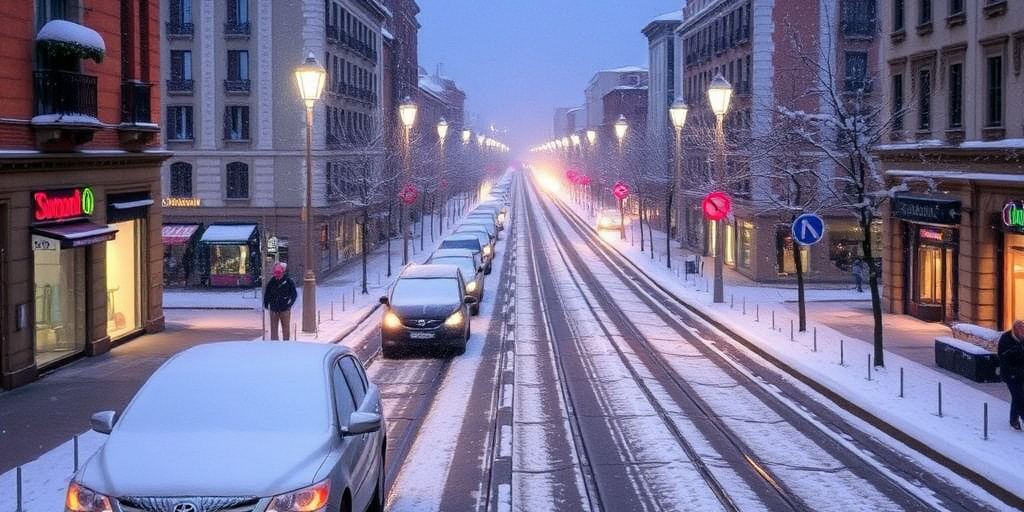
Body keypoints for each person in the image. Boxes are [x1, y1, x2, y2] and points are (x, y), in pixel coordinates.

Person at [998, 320, 1024, 430]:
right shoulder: (1006, 338)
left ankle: (1013, 420)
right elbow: (1003, 356)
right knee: (1019, 396)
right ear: (1015, 329)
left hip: (1022, 373)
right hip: (1010, 374)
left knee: (1016, 397)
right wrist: (1018, 349)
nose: (1022, 332)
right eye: (1020, 329)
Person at [263, 262, 297, 340]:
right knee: (274, 331)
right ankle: (274, 346)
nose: (277, 274)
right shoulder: (271, 282)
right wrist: (266, 303)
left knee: (286, 329)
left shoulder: (288, 282)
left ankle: (285, 345)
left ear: (283, 272)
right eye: (275, 272)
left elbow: (294, 294)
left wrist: (289, 304)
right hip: (274, 310)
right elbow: (267, 294)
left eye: (279, 272)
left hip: (285, 309)